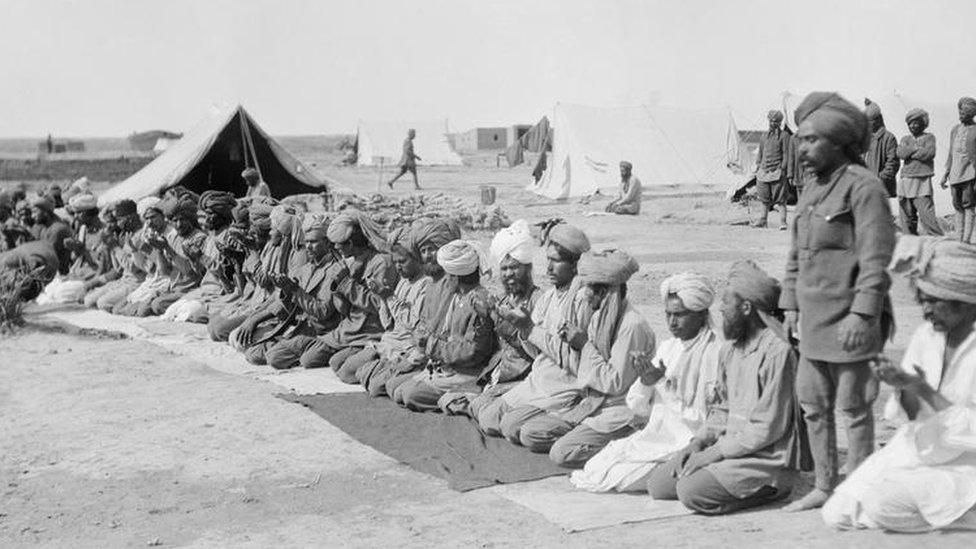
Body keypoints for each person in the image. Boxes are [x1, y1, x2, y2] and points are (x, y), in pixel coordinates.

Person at [781, 91, 897, 512]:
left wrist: (863, 313)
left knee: (854, 408)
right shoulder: (813, 189)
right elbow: (796, 253)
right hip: (811, 318)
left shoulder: (864, 188)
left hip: (851, 317)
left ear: (839, 142)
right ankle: (826, 485)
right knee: (812, 403)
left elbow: (876, 258)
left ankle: (861, 489)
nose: (803, 148)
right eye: (801, 139)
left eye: (812, 140)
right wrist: (790, 303)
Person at [822, 236, 976, 532]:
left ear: (965, 301)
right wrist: (902, 386)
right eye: (923, 301)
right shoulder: (926, 336)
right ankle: (944, 509)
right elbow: (907, 415)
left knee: (883, 504)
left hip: (966, 459)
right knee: (838, 512)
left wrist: (924, 390)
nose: (926, 311)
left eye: (934, 301)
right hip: (918, 449)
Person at [645, 261, 802, 515]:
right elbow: (721, 409)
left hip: (765, 457)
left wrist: (714, 454)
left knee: (690, 492)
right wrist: (698, 444)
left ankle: (772, 490)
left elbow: (767, 429)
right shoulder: (731, 349)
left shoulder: (778, 352)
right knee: (659, 486)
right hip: (729, 446)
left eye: (727, 305)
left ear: (746, 308)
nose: (721, 310)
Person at [571, 272, 720, 492]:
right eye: (668, 314)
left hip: (685, 442)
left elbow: (701, 421)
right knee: (595, 468)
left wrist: (660, 383)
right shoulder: (669, 347)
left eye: (679, 315)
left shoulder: (714, 354)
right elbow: (637, 407)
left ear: (701, 314)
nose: (672, 322)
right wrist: (645, 381)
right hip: (655, 437)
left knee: (616, 480)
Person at [503, 249, 653, 468]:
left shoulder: (632, 326)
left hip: (617, 409)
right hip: (588, 402)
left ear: (606, 292)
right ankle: (579, 433)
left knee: (562, 453)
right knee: (526, 432)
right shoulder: (598, 316)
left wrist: (583, 344)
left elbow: (614, 383)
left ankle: (628, 441)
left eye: (589, 288)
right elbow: (573, 362)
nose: (583, 294)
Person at [474, 222, 592, 436]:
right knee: (488, 417)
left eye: (555, 262)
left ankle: (560, 420)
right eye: (548, 261)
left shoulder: (582, 301)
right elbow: (535, 352)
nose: (548, 268)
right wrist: (523, 329)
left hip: (563, 385)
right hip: (537, 380)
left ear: (574, 265)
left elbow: (571, 358)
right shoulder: (549, 298)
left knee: (512, 427)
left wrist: (527, 328)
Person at [441, 220, 540, 415]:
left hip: (524, 376)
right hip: (497, 372)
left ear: (528, 269)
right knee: (447, 400)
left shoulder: (539, 300)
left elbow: (541, 351)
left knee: (481, 408)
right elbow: (487, 344)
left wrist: (513, 332)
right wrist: (485, 319)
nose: (509, 274)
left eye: (515, 268)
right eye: (504, 269)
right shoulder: (501, 300)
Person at [355, 218, 462, 396]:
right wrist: (384, 298)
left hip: (421, 353)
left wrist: (413, 360)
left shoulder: (437, 285)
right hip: (407, 347)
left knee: (387, 388)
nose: (427, 256)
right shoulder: (425, 283)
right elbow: (394, 325)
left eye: (432, 250)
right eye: (423, 250)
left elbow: (419, 328)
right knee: (361, 374)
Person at [392, 239, 496, 411]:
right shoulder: (456, 297)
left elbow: (474, 352)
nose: (445, 281)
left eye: (447, 276)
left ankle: (464, 397)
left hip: (465, 373)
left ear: (456, 277)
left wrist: (430, 344)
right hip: (444, 367)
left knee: (409, 394)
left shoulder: (479, 302)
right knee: (397, 390)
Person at [344, 225, 433, 389]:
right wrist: (382, 297)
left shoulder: (425, 285)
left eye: (402, 262)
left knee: (374, 385)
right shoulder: (403, 282)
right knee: (347, 371)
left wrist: (389, 297)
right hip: (389, 342)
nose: (398, 267)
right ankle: (379, 368)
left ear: (418, 259)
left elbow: (413, 324)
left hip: (407, 347)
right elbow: (388, 324)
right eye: (395, 262)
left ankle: (398, 371)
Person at [160, 191, 240, 323]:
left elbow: (225, 275)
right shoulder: (210, 238)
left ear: (223, 216)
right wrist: (194, 258)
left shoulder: (229, 238)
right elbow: (203, 273)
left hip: (219, 291)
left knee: (189, 314)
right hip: (204, 289)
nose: (207, 219)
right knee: (172, 311)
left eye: (211, 215)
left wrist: (201, 257)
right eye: (206, 215)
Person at [83, 199, 147, 311]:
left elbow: (133, 267)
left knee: (102, 303)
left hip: (137, 282)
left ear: (130, 218)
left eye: (119, 220)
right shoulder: (127, 234)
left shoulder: (142, 235)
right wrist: (112, 246)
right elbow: (119, 268)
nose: (117, 224)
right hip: (124, 280)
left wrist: (115, 247)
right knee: (88, 300)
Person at [896, 108, 942, 236]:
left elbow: (929, 153)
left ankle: (940, 242)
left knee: (927, 216)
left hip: (922, 180)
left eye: (916, 122)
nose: (912, 126)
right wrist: (916, 149)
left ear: (923, 123)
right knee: (906, 217)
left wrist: (910, 151)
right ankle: (911, 244)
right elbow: (900, 153)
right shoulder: (905, 138)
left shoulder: (929, 137)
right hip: (905, 180)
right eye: (910, 123)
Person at [940, 97, 976, 244]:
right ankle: (959, 239)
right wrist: (946, 174)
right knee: (957, 205)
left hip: (970, 173)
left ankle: (966, 240)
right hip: (955, 175)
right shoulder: (955, 129)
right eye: (960, 110)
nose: (960, 113)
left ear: (971, 113)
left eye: (964, 111)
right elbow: (951, 153)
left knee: (969, 205)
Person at [752, 110, 792, 230]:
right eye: (770, 121)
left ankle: (783, 222)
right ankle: (763, 220)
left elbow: (786, 154)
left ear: (779, 123)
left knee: (781, 200)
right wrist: (758, 166)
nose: (772, 123)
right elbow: (761, 152)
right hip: (763, 171)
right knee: (764, 199)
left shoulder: (785, 136)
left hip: (777, 172)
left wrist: (783, 169)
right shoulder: (764, 136)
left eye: (775, 121)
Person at [863, 101, 900, 198]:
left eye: (870, 121)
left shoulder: (889, 138)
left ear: (879, 120)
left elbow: (893, 163)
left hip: (881, 187)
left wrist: (880, 178)